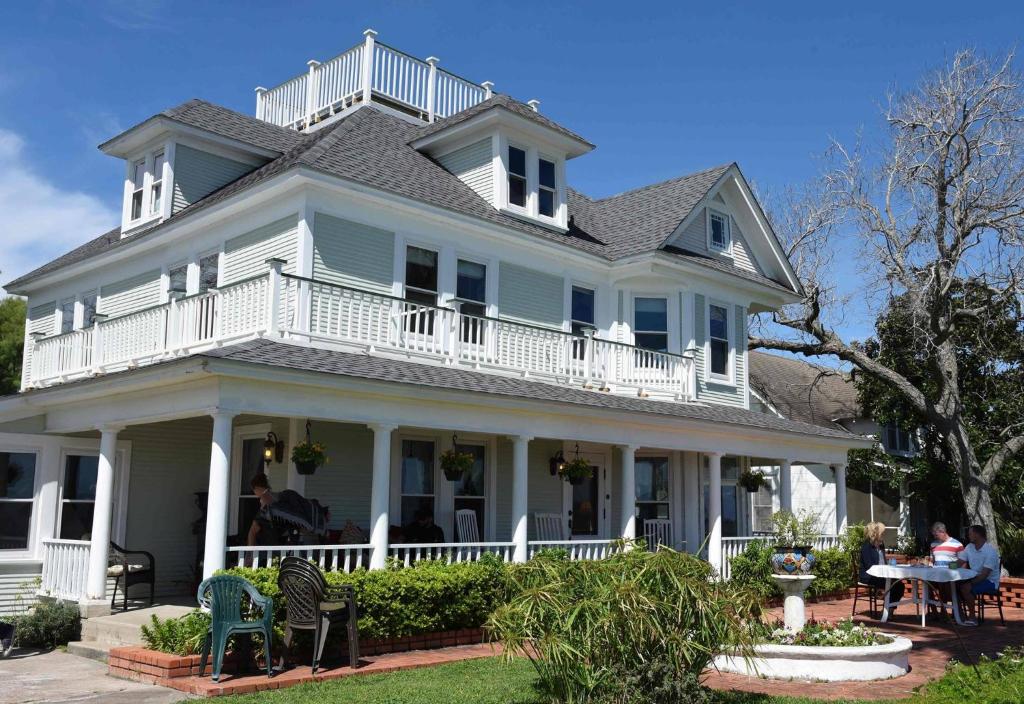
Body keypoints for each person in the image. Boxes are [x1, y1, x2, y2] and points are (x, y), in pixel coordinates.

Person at [957, 524, 1001, 625]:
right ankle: (959, 614)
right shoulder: (969, 547)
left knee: (965, 587)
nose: (968, 536)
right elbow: (959, 562)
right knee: (954, 585)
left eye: (970, 534)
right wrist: (947, 566)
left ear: (977, 535)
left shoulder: (990, 552)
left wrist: (969, 583)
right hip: (975, 577)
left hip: (990, 582)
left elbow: (984, 575)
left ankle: (972, 618)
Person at [860, 521, 905, 613]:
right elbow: (869, 566)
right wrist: (882, 572)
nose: (883, 535)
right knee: (893, 585)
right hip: (869, 576)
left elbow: (883, 561)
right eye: (882, 533)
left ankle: (889, 609)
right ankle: (887, 610)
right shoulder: (866, 546)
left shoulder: (881, 545)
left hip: (881, 574)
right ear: (876, 534)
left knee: (899, 585)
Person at [246, 473, 281, 546]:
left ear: (257, 487)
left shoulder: (265, 498)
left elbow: (255, 527)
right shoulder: (274, 495)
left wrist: (249, 552)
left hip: (267, 540)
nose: (254, 493)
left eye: (254, 490)